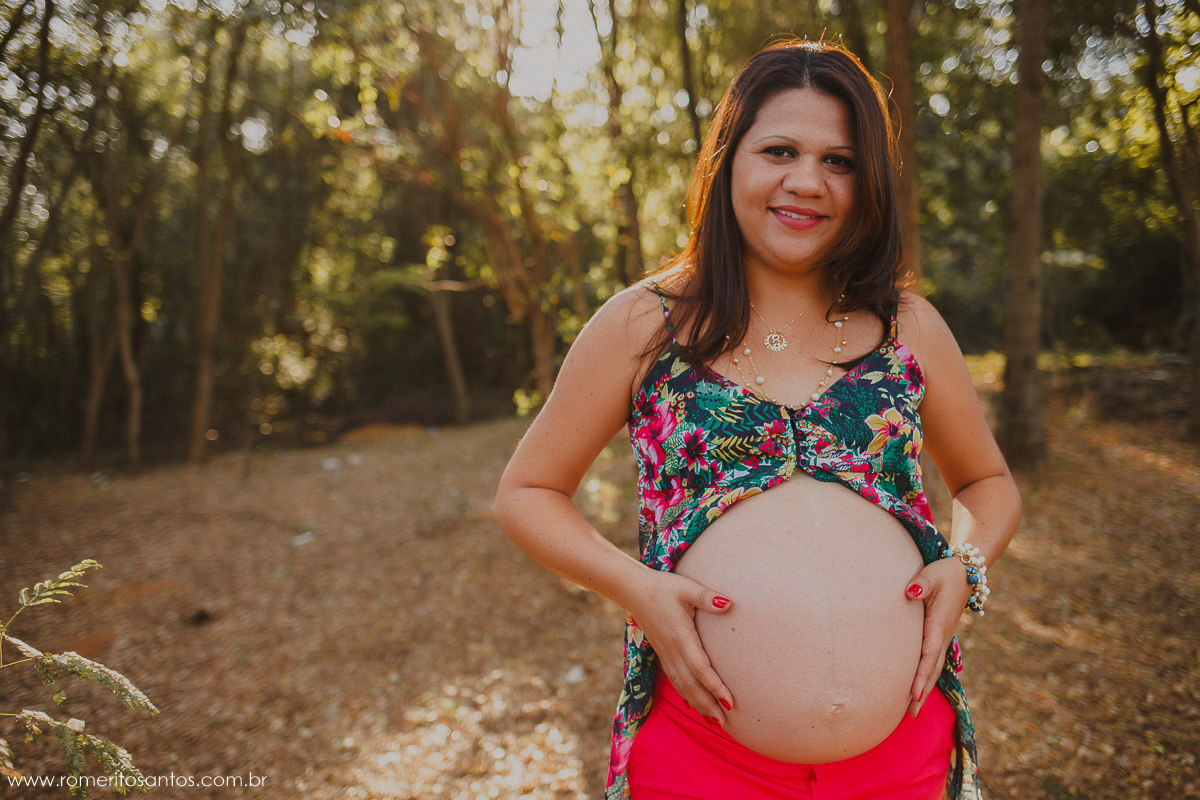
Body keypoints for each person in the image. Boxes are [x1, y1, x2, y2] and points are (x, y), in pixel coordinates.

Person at [494, 38, 1020, 800]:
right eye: (779, 150)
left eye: (839, 161)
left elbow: (987, 480)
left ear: (867, 182)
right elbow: (527, 491)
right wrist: (636, 587)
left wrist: (964, 565)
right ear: (728, 161)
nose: (806, 182)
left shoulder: (910, 325)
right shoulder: (645, 324)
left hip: (903, 759)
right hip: (703, 762)